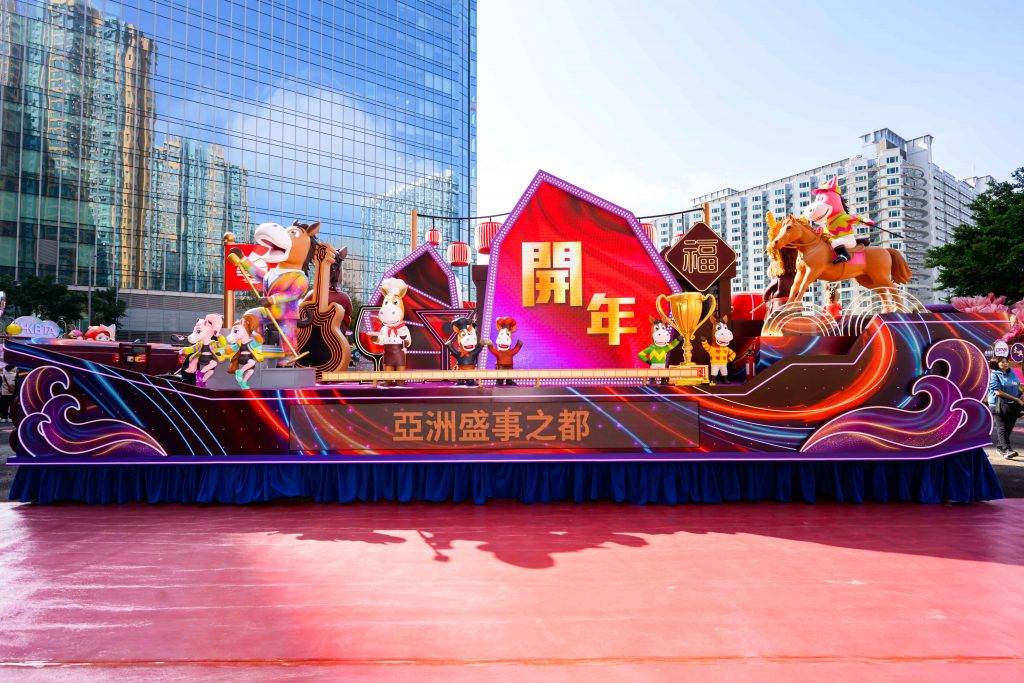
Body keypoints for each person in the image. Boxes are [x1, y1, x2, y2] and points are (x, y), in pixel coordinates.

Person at [988, 356, 1023, 459]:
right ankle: (1007, 449)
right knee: (1002, 427)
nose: (1005, 363)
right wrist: (1017, 399)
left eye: (1006, 361)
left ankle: (1000, 447)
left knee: (1009, 427)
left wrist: (1020, 394)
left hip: (1012, 405)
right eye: (1002, 362)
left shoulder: (1012, 373)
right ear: (996, 364)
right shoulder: (994, 375)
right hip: (997, 404)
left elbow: (1017, 386)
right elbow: (998, 392)